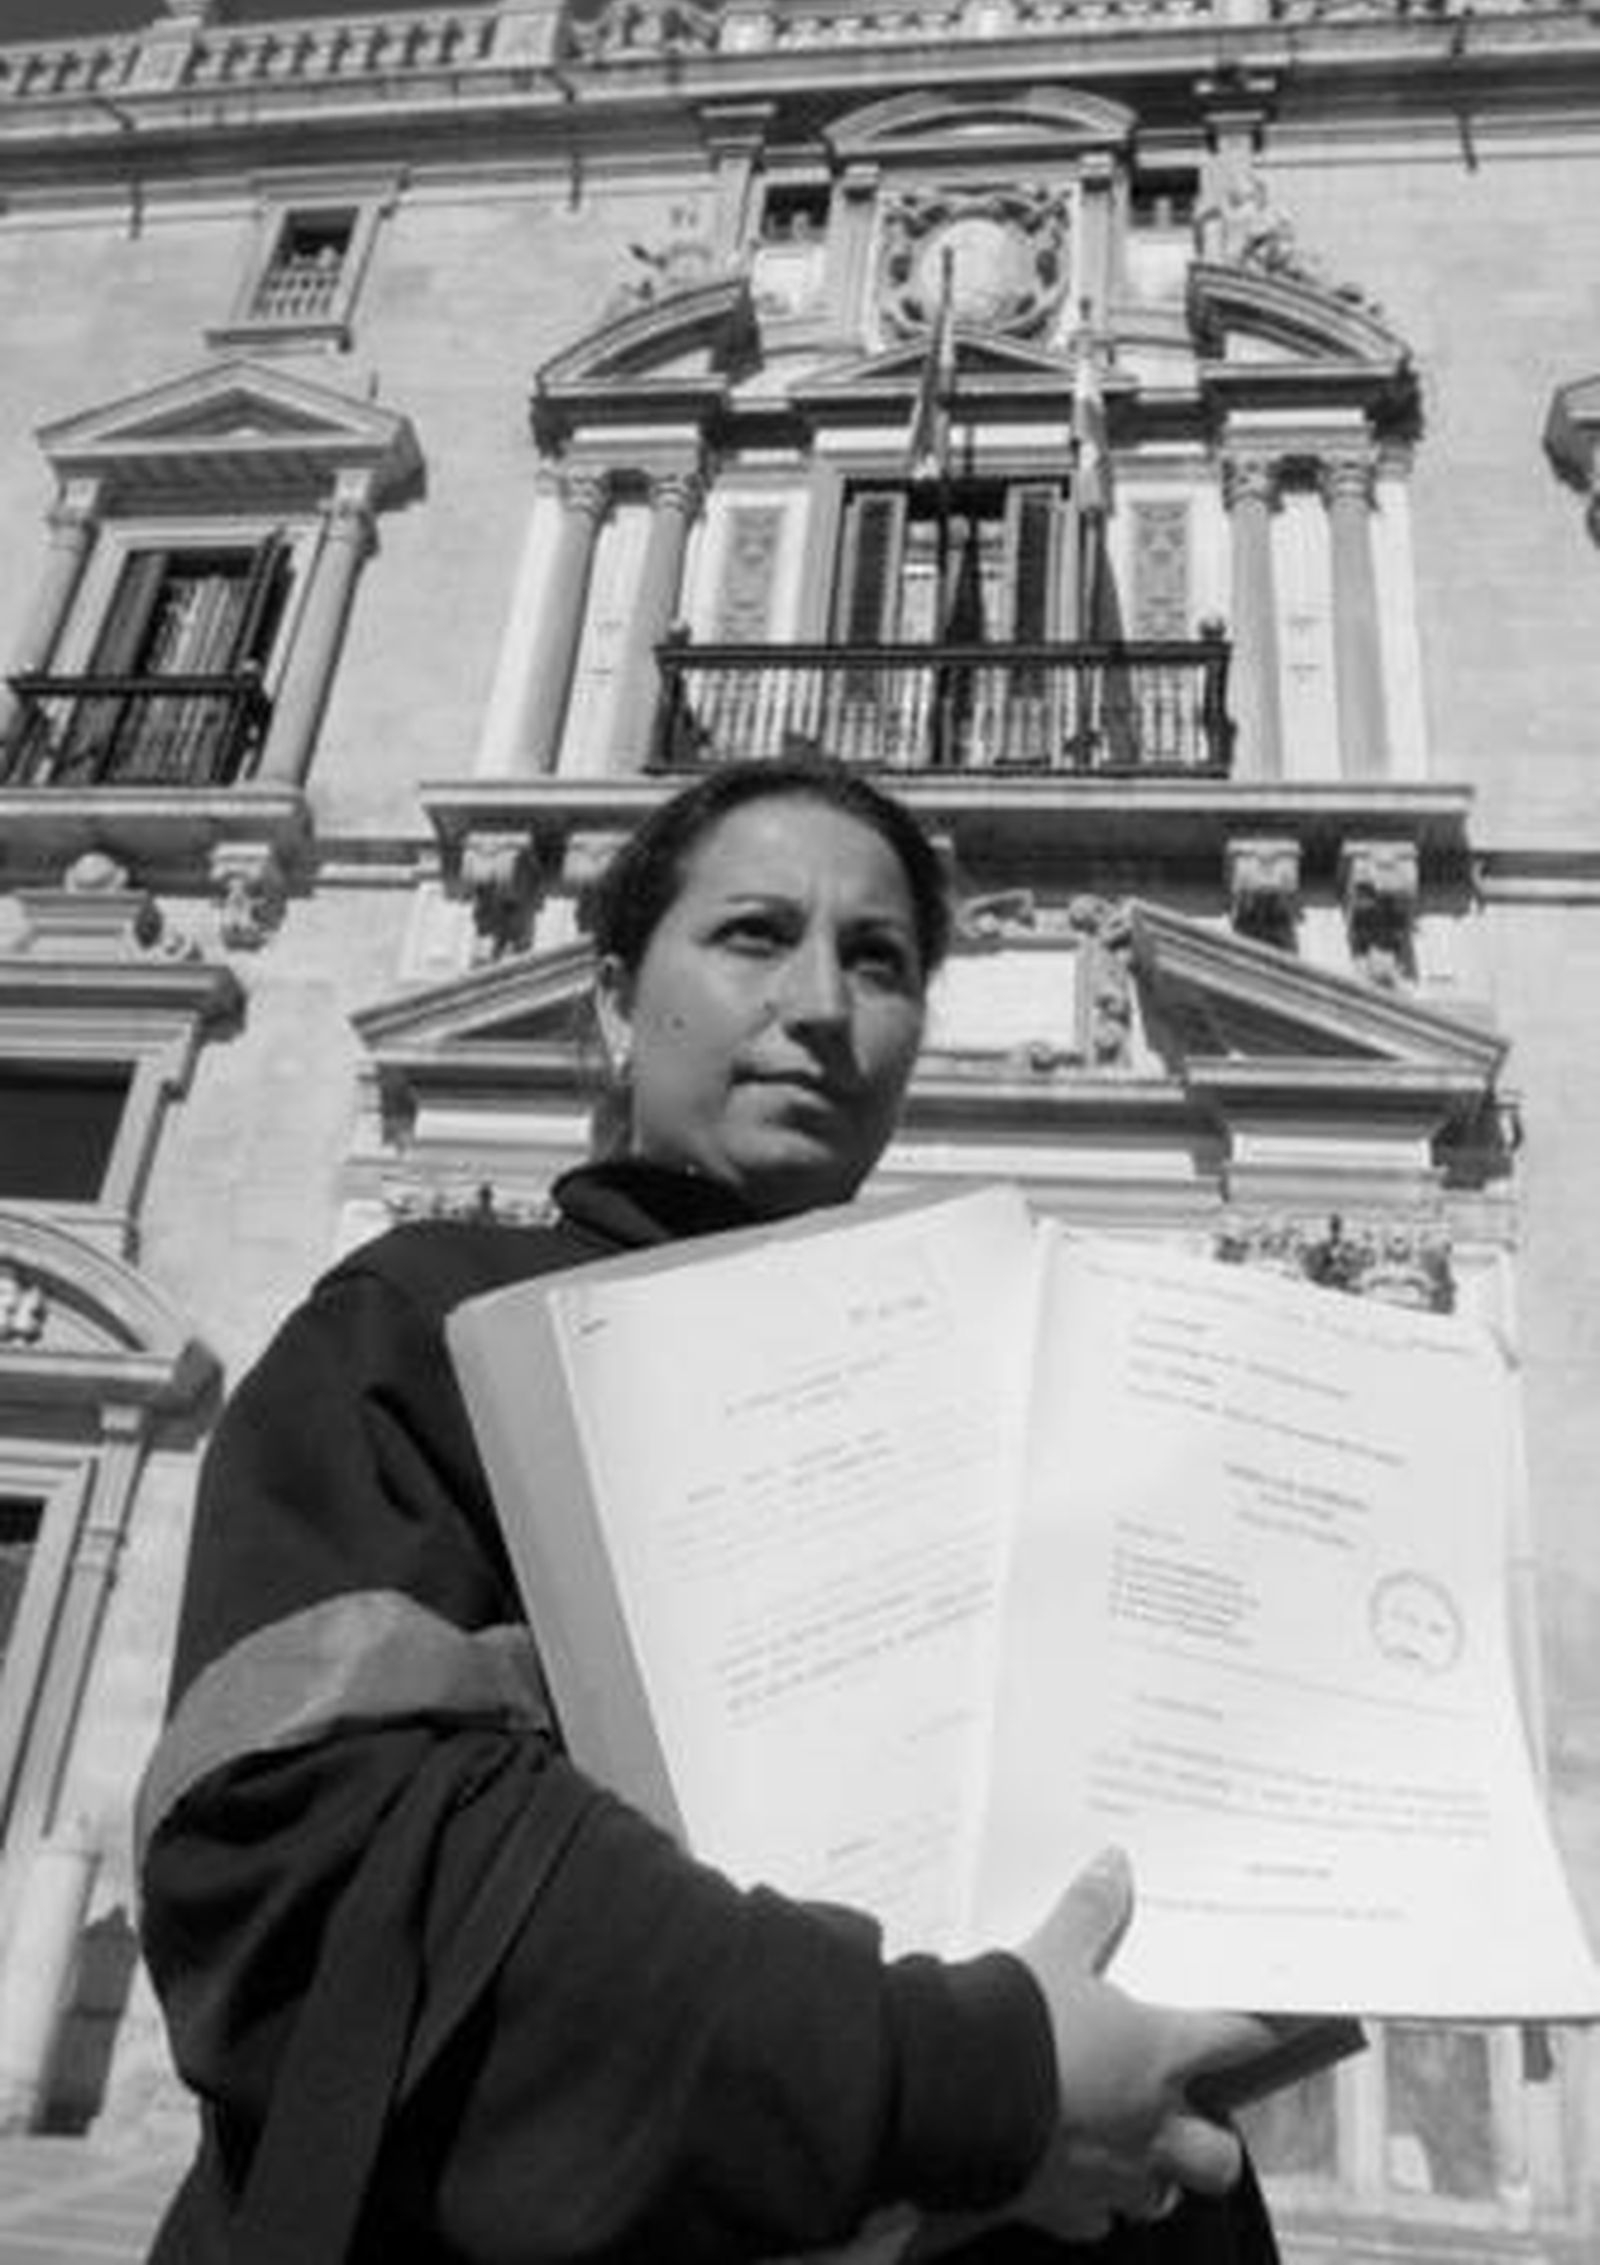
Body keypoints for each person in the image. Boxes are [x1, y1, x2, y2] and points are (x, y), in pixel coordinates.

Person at [136, 756, 1284, 2263]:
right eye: (754, 932)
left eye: (878, 961)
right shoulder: (413, 1337)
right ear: (616, 999)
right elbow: (306, 1860)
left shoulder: (996, 1414)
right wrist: (969, 2079)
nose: (820, 1001)